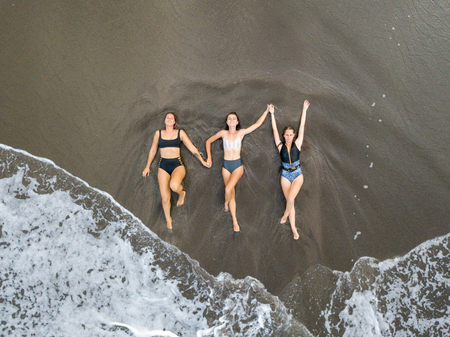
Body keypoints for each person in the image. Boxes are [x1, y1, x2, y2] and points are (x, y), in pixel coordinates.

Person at [205, 105, 270, 232]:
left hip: (237, 166)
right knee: (232, 193)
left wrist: (267, 111)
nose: (231, 120)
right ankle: (234, 220)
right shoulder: (223, 133)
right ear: (227, 122)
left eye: (234, 118)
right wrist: (209, 158)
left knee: (228, 189)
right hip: (226, 166)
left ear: (237, 122)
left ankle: (225, 202)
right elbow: (208, 141)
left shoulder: (241, 133)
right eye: (229, 118)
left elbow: (256, 124)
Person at [142, 112, 209, 231]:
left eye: (171, 118)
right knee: (165, 198)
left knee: (174, 185)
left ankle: (181, 193)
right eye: (167, 117)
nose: (169, 119)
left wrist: (202, 161)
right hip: (162, 166)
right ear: (164, 121)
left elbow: (191, 147)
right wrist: (147, 166)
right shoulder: (158, 134)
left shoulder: (180, 133)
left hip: (177, 165)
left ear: (174, 122)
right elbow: (153, 150)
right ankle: (168, 219)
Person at [269, 100, 310, 240]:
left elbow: (302, 125)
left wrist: (304, 110)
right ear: (283, 136)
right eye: (286, 135)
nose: (288, 137)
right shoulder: (280, 146)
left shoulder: (297, 144)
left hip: (297, 173)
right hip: (285, 174)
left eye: (290, 134)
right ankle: (294, 229)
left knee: (291, 198)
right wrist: (272, 114)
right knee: (289, 201)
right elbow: (274, 130)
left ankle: (285, 216)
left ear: (294, 136)